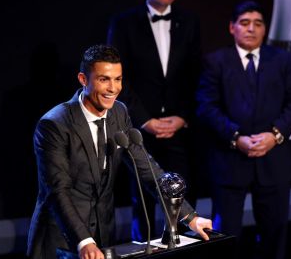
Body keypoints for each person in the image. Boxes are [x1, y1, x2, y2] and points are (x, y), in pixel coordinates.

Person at [26, 45, 212, 259]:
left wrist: (189, 217)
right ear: (83, 79)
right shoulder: (54, 124)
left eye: (118, 79)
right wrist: (84, 241)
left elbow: (147, 168)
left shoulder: (119, 112)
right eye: (104, 79)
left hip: (103, 236)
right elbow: (58, 191)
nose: (113, 88)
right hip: (61, 240)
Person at [196, 1, 291, 259]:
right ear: (232, 27)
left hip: (274, 160)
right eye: (245, 23)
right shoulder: (215, 61)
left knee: (275, 233)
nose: (251, 29)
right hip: (230, 161)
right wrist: (236, 138)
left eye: (258, 23)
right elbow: (206, 107)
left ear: (265, 29)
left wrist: (274, 135)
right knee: (226, 234)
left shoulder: (282, 59)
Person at [106, 0, 201, 242]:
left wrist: (182, 116)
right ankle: (143, 249)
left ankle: (180, 248)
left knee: (182, 194)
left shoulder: (190, 21)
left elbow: (196, 75)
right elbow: (116, 76)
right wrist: (144, 120)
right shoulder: (124, 22)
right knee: (141, 199)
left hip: (179, 129)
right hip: (139, 128)